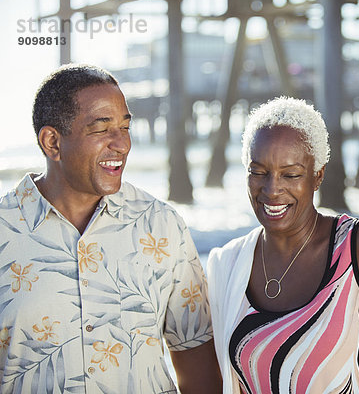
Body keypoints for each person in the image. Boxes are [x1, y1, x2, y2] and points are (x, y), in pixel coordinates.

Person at [0, 64, 221, 393]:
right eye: (101, 129)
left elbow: (197, 362)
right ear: (52, 142)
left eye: (125, 127)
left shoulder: (161, 225)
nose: (122, 144)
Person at [206, 97, 359, 393]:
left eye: (291, 174)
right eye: (258, 172)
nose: (272, 189)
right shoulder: (229, 264)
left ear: (318, 176)